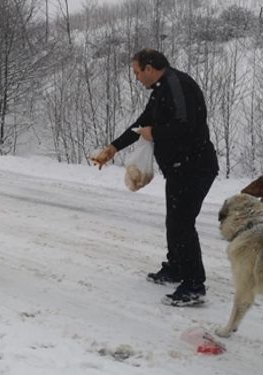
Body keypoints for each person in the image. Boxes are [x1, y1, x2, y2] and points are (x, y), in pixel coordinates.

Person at [91, 49, 219, 307]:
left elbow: (187, 125)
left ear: (150, 68)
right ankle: (176, 268)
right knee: (174, 220)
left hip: (196, 168)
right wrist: (113, 148)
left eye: (137, 71)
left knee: (182, 223)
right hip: (178, 169)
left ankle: (194, 285)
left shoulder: (178, 85)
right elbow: (142, 124)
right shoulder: (161, 89)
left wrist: (155, 132)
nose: (136, 77)